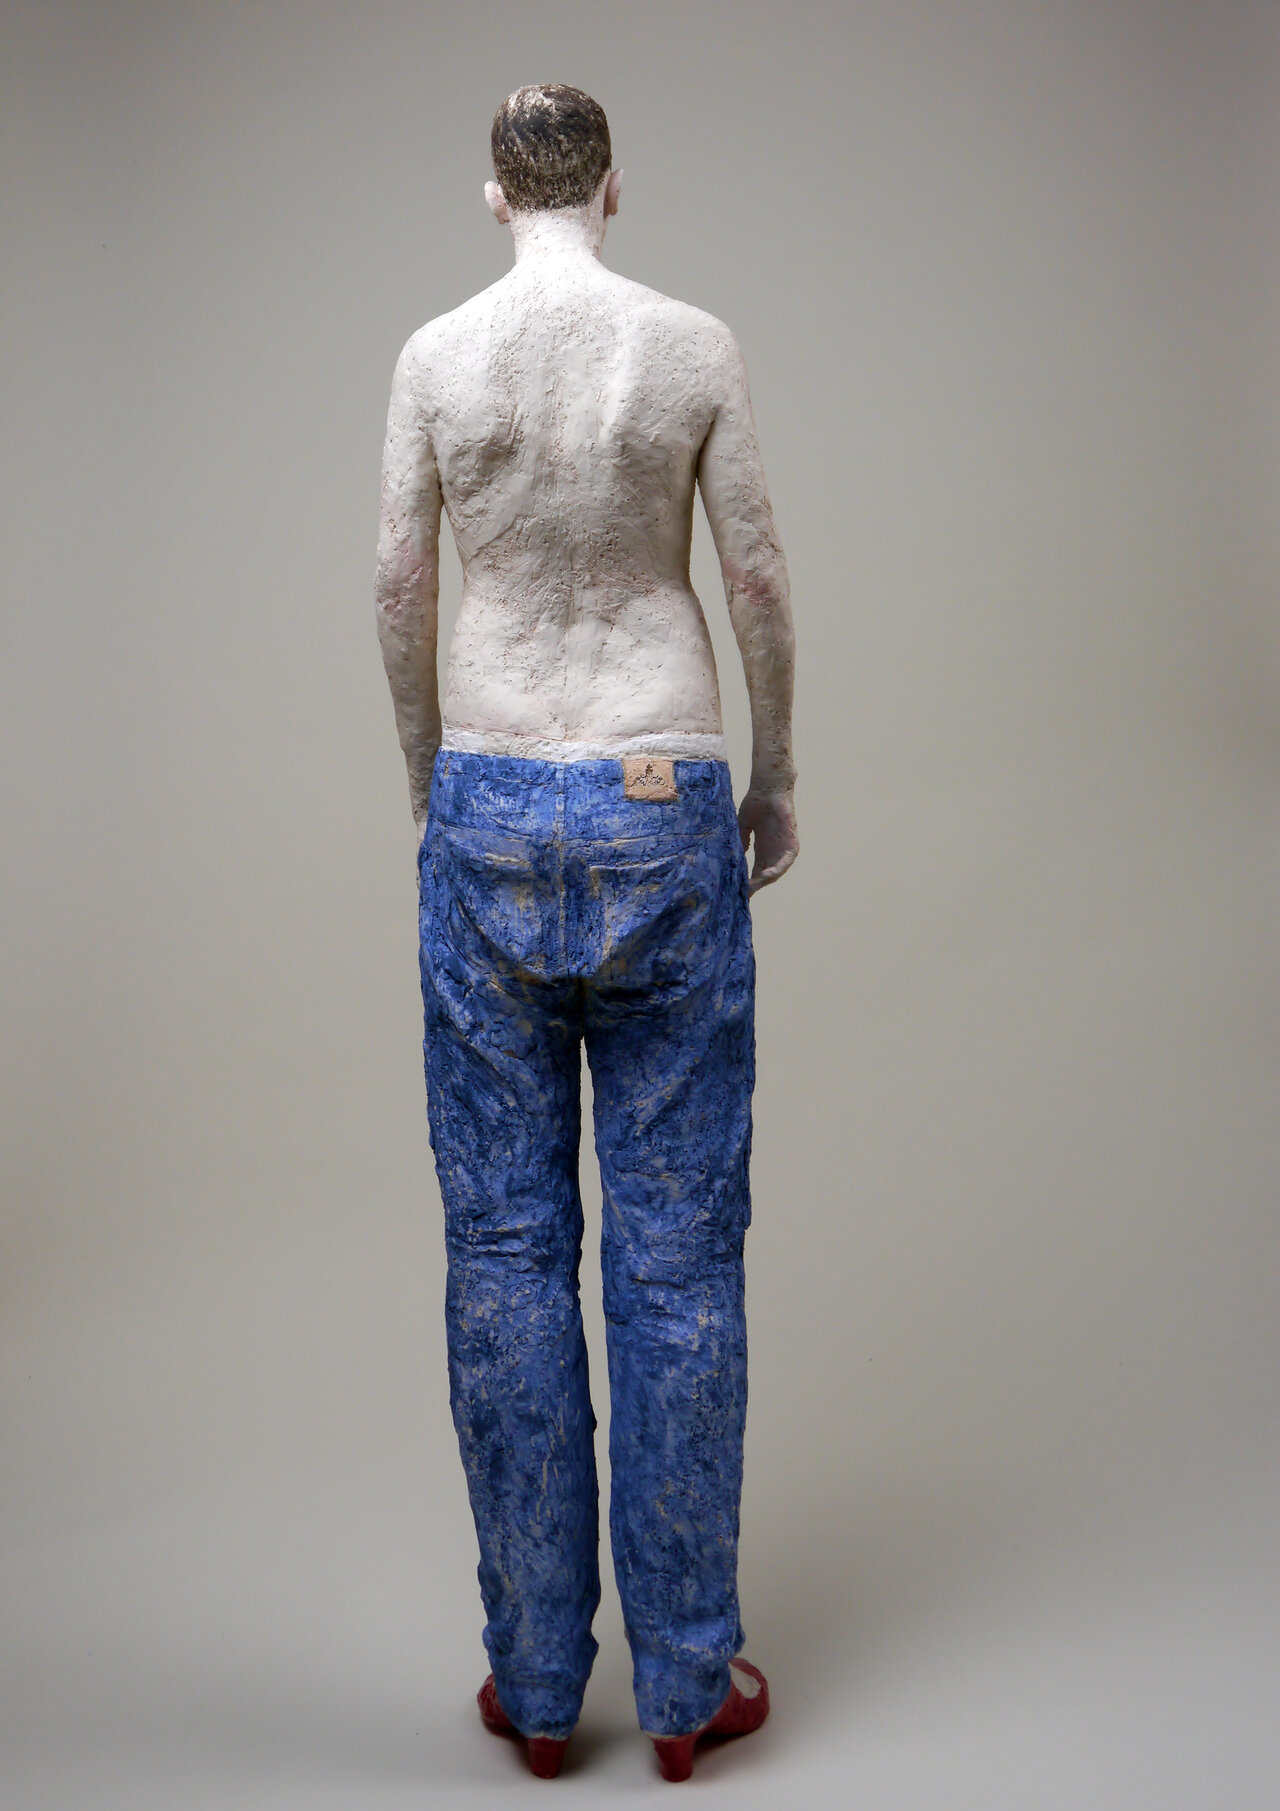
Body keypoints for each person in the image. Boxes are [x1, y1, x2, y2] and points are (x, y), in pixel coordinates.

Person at [375, 83, 797, 1782]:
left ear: (497, 194)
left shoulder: (436, 358)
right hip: (658, 782)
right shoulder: (689, 346)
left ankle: (540, 1688)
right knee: (678, 1258)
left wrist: (435, 784)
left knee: (503, 1254)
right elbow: (755, 578)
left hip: (491, 784)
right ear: (612, 187)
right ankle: (687, 1691)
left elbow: (399, 584)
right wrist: (777, 776)